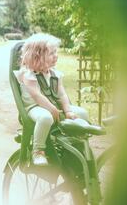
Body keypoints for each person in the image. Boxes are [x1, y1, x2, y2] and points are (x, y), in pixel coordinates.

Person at [14, 33, 89, 166]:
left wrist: (68, 110)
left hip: (53, 106)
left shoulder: (55, 74)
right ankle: (38, 151)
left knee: (82, 113)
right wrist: (51, 108)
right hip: (34, 108)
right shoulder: (28, 75)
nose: (56, 56)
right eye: (52, 53)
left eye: (56, 52)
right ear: (37, 56)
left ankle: (76, 142)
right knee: (45, 118)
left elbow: (62, 94)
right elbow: (37, 96)